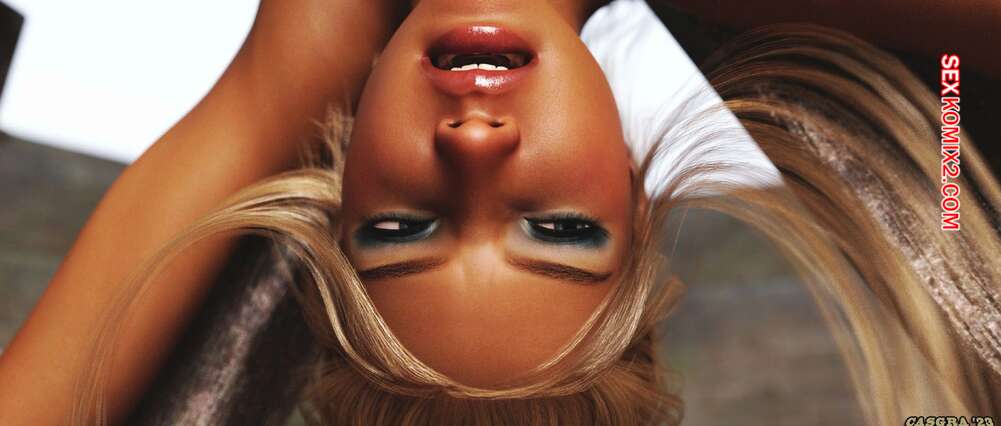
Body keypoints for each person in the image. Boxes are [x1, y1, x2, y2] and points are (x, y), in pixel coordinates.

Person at [1, 0, 1000, 424]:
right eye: (558, 230)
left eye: (401, 228)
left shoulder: (305, 54)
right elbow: (951, 110)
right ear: (632, 190)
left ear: (338, 188)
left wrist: (279, 91)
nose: (473, 145)